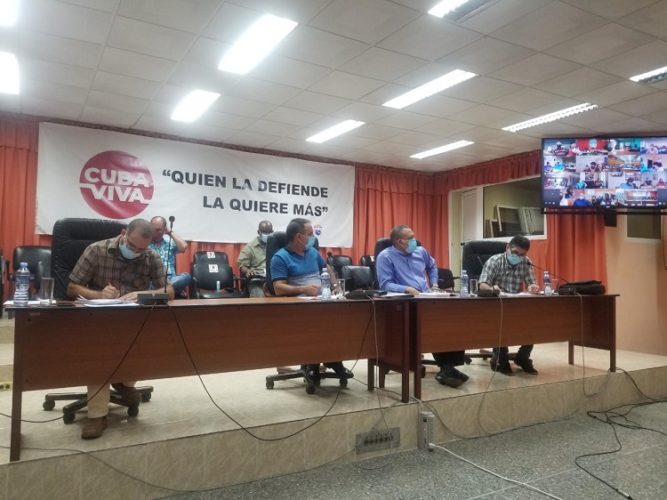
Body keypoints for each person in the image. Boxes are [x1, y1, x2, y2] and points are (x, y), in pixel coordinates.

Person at [67, 218, 175, 439]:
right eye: (132, 245)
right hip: (97, 319)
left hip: (132, 321)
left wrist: (144, 294)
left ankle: (124, 382)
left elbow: (169, 291)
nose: (135, 252)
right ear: (123, 233)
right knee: (100, 355)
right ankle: (97, 416)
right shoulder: (96, 250)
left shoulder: (150, 256)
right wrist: (99, 294)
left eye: (140, 249)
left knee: (151, 340)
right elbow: (72, 287)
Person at [376, 225, 468, 388]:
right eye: (410, 238)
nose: (415, 241)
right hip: (404, 303)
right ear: (399, 242)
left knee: (452, 318)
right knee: (433, 324)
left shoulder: (421, 251)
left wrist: (434, 283)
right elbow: (385, 284)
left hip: (427, 297)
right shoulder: (385, 256)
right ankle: (447, 368)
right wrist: (407, 289)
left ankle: (448, 366)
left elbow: (432, 266)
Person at [270, 218, 352, 384]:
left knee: (342, 319)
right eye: (310, 234)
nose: (313, 238)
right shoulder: (280, 257)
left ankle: (331, 359)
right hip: (298, 305)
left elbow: (327, 269)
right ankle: (319, 364)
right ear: (299, 237)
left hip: (320, 300)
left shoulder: (312, 252)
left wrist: (335, 286)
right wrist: (304, 289)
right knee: (319, 324)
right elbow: (278, 288)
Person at [478, 235, 539, 376]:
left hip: (516, 305)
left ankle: (522, 357)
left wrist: (532, 287)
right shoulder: (494, 261)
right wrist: (492, 288)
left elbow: (531, 283)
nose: (518, 257)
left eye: (522, 255)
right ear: (507, 248)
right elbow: (482, 285)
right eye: (515, 253)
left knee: (535, 319)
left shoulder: (526, 262)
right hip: (496, 305)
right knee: (502, 320)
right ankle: (501, 358)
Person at [149, 216, 191, 297]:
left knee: (186, 276)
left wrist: (170, 232)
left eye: (158, 230)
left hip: (170, 279)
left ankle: (160, 291)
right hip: (153, 280)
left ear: (164, 229)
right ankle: (165, 291)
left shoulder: (169, 242)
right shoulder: (145, 242)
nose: (155, 232)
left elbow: (183, 247)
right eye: (153, 229)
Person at [238, 220, 273, 297]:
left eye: (269, 232)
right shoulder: (250, 247)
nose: (267, 234)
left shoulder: (276, 245)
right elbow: (242, 265)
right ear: (258, 232)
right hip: (258, 280)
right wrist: (247, 271)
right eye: (264, 232)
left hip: (274, 279)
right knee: (260, 298)